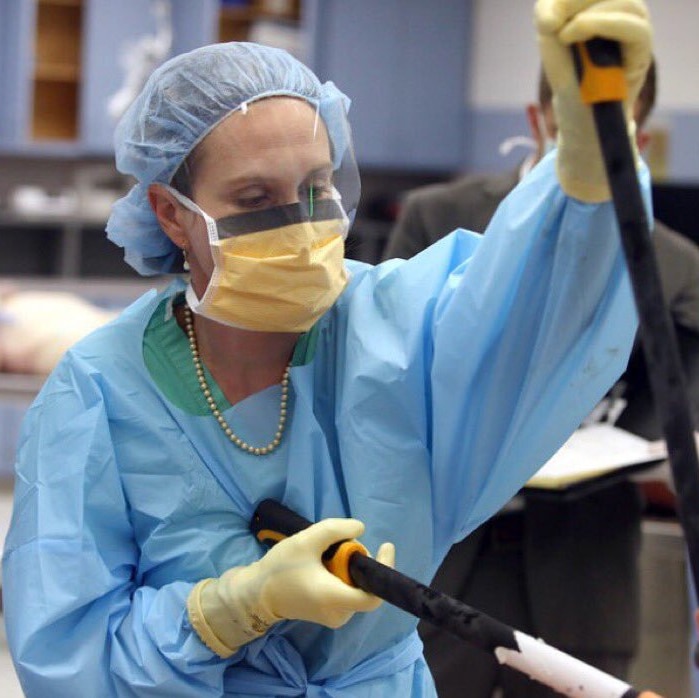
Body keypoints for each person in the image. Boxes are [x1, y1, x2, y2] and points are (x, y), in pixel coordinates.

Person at [1, 2, 654, 696]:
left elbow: (530, 317)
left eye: (316, 188)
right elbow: (68, 661)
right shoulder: (100, 394)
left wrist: (584, 176)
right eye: (256, 194)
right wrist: (230, 610)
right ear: (171, 213)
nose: (301, 224)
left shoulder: (390, 331)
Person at [384, 50, 699, 698]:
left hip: (582, 575)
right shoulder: (437, 219)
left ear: (637, 137)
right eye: (568, 135)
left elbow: (680, 398)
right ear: (536, 120)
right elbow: (385, 371)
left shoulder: (674, 265)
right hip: (442, 562)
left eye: (608, 135)